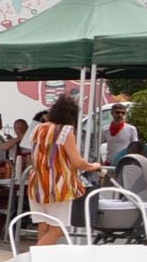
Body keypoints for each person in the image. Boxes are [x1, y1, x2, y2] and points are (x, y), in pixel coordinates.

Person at [24, 95, 102, 247]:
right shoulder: (65, 131)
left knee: (43, 225)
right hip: (58, 185)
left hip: (36, 183)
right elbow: (76, 161)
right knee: (57, 228)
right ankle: (35, 258)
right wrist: (93, 166)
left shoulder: (37, 128)